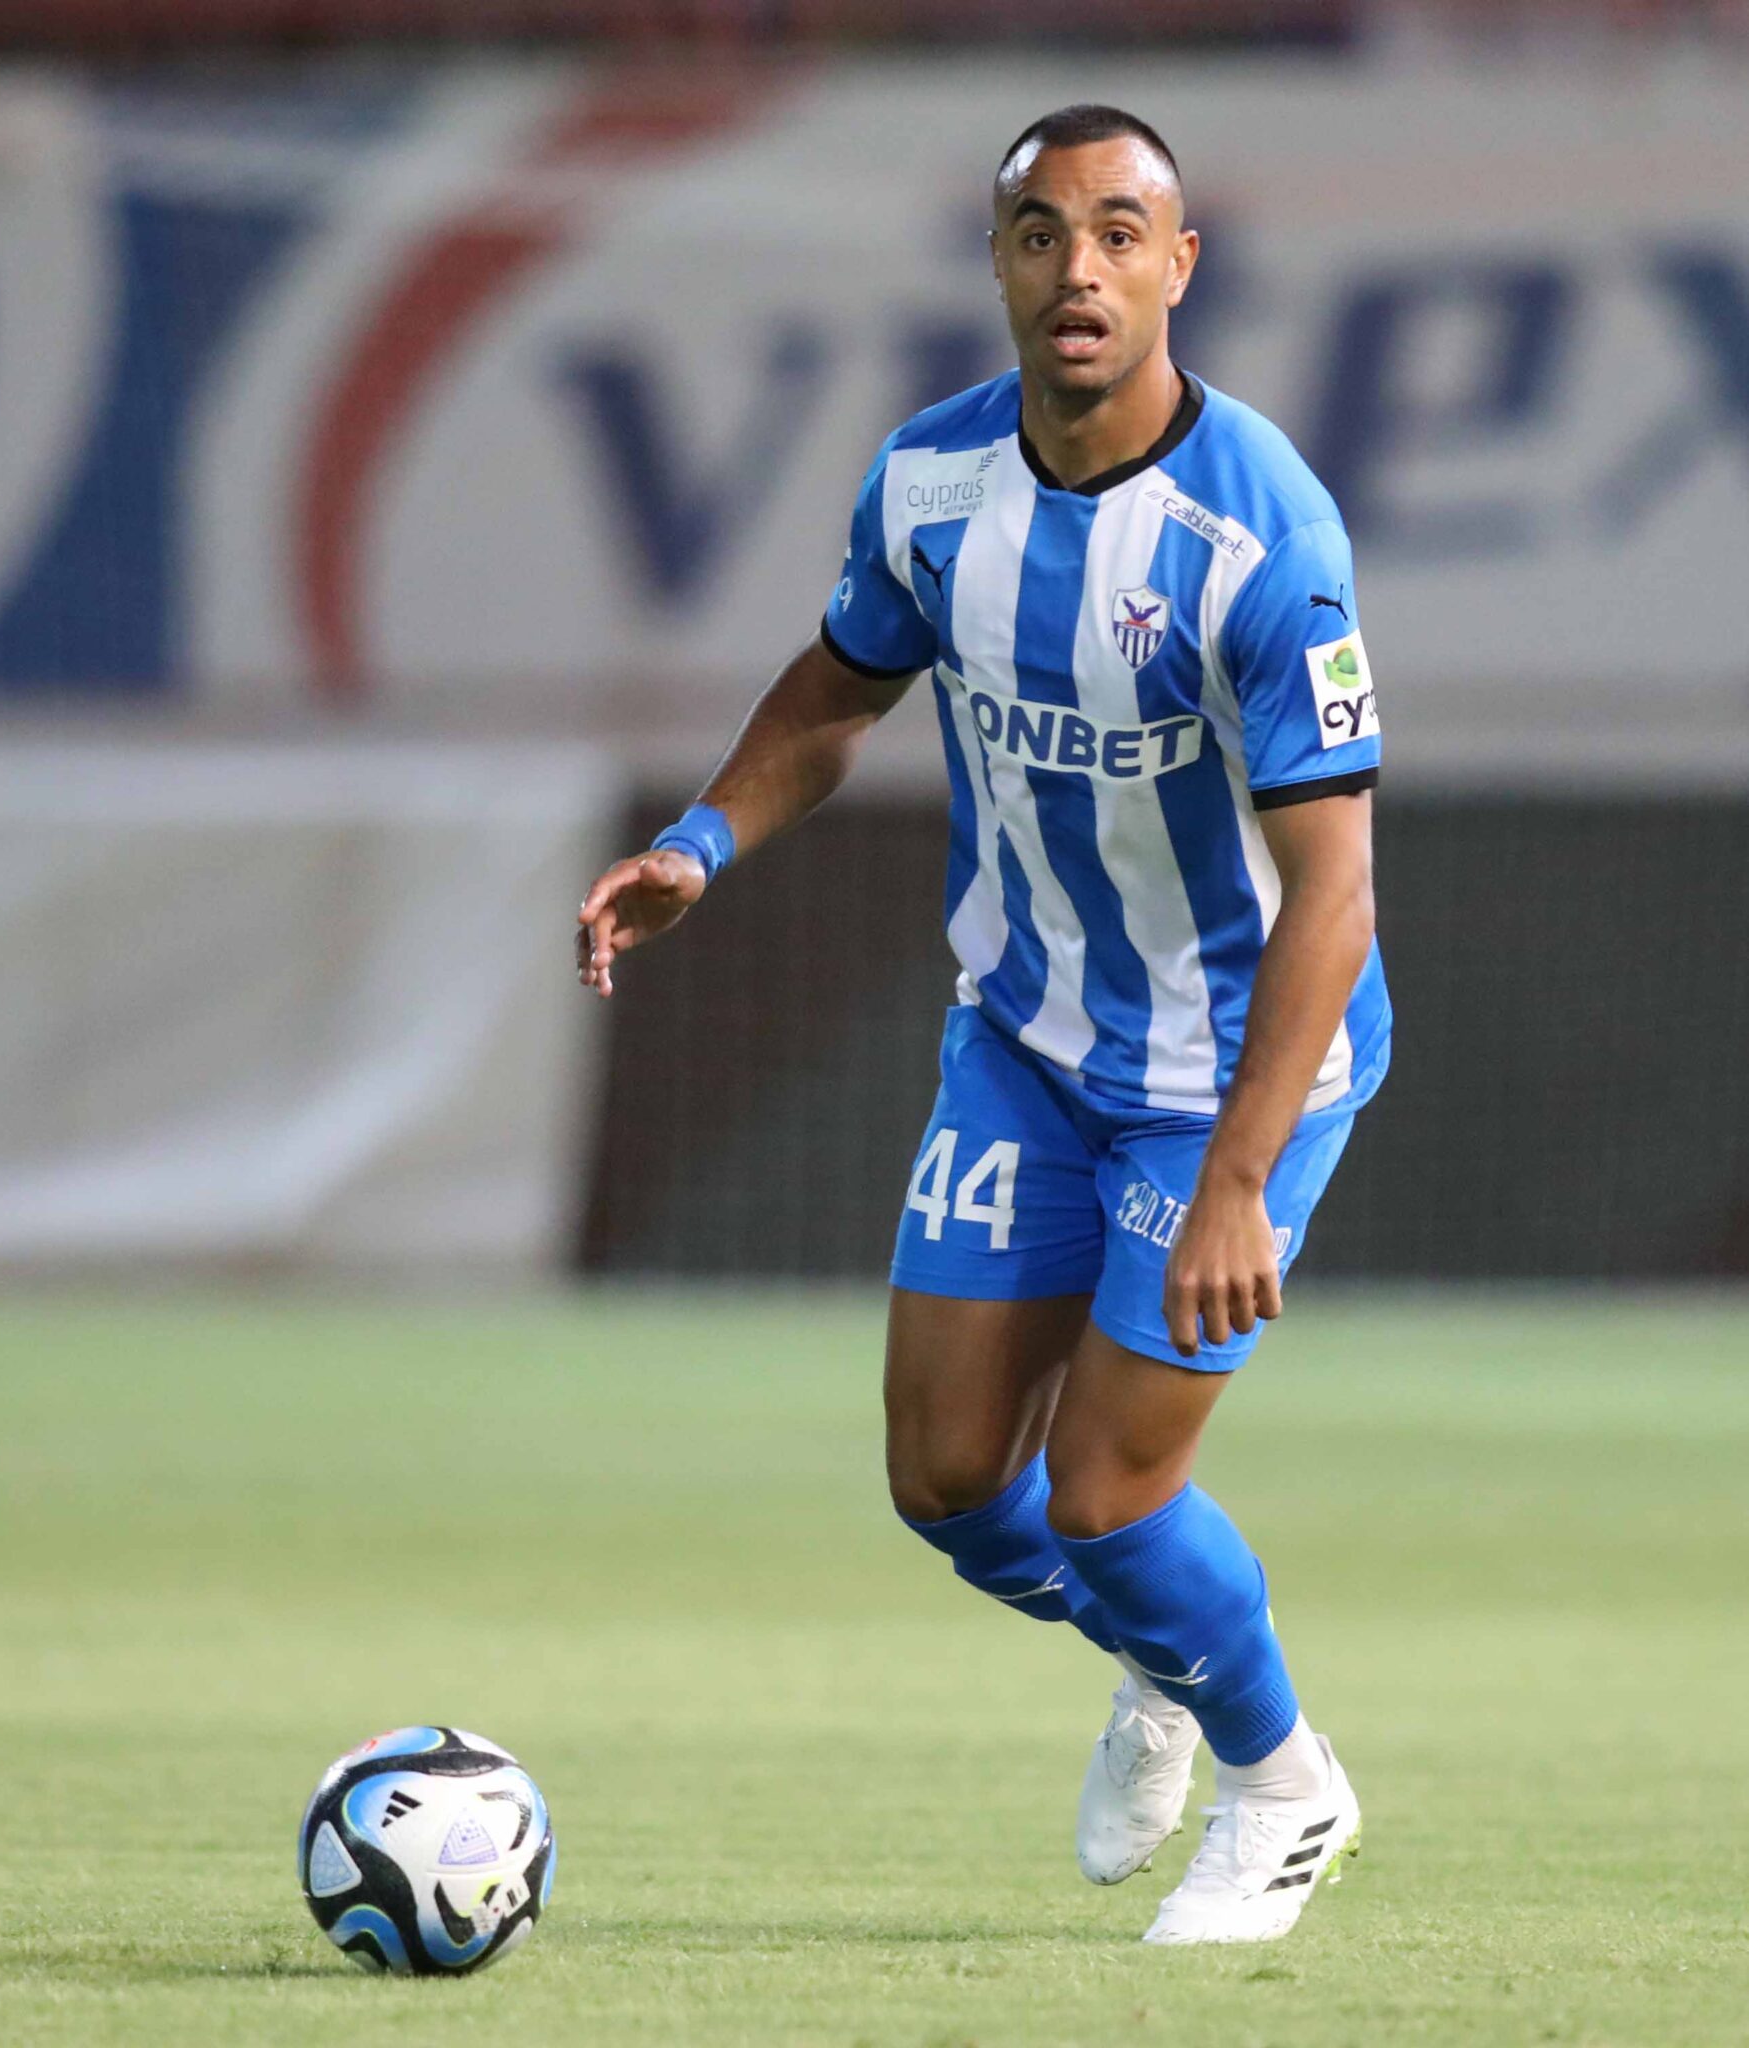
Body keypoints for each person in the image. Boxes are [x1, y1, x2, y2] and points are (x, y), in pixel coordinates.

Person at [573, 103, 1386, 1946]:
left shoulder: (1258, 534)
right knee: (948, 1480)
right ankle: (1167, 1662)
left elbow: (1333, 895)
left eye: (1117, 233)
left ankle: (1282, 1787)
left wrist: (1240, 1174)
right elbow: (836, 684)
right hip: (1023, 1038)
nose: (1076, 269)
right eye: (1038, 234)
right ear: (998, 264)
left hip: (1221, 1076)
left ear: (1179, 268)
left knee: (1104, 1495)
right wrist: (699, 843)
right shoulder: (931, 482)